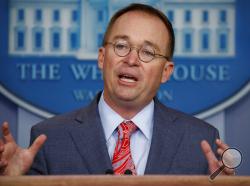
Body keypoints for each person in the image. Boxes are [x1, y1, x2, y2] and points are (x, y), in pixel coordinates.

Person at [0, 3, 234, 176]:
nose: (131, 59)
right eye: (121, 46)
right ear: (102, 58)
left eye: (148, 52)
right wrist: (10, 183)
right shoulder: (48, 138)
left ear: (166, 71)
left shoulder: (201, 141)